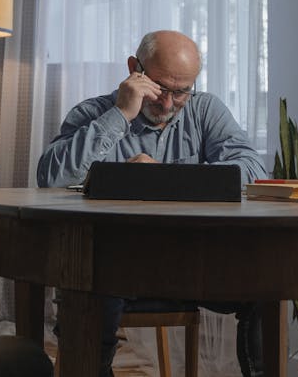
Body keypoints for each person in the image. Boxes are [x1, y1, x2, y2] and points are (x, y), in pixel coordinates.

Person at [37, 30, 267, 377]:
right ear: (135, 69)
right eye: (160, 88)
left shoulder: (206, 110)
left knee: (269, 286)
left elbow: (251, 171)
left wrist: (163, 178)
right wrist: (120, 115)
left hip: (193, 263)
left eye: (182, 92)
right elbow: (50, 179)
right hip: (116, 268)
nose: (169, 103)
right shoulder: (94, 113)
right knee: (87, 293)